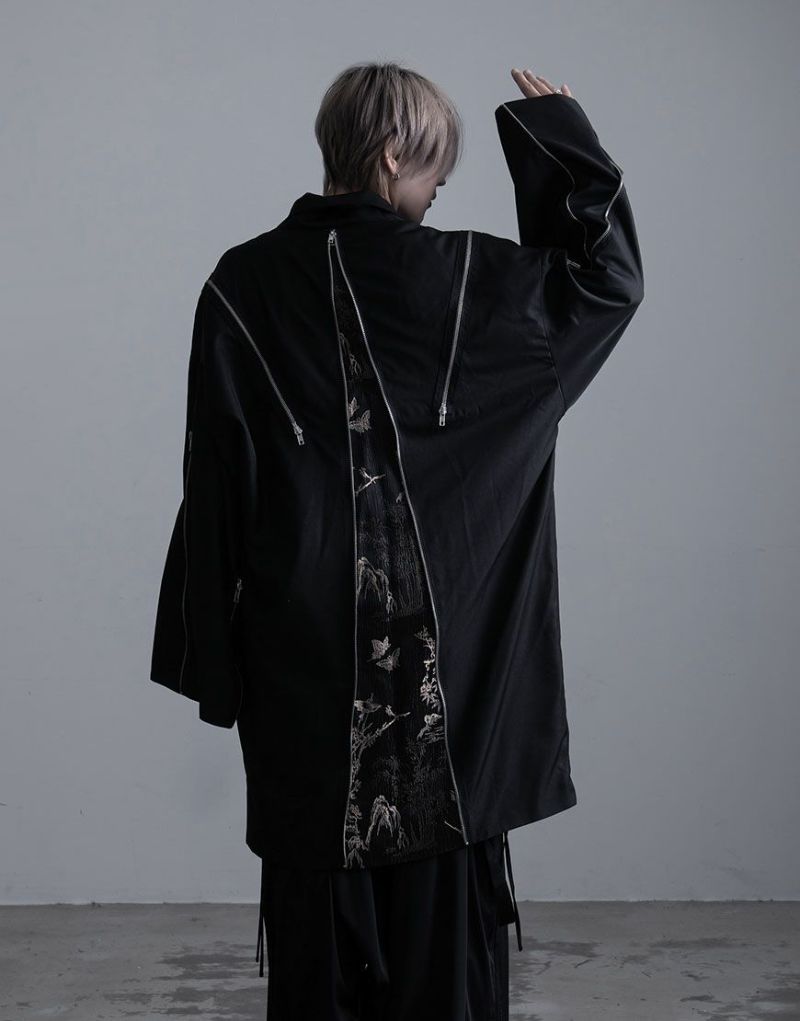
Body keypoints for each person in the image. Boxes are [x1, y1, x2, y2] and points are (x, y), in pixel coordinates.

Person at [149, 61, 644, 1020]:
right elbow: (606, 279)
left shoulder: (241, 282)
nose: (440, 188)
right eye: (434, 168)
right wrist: (559, 135)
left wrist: (214, 665)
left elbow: (213, 484)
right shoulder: (471, 283)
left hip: (300, 681)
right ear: (389, 156)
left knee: (319, 971)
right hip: (447, 706)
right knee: (445, 973)